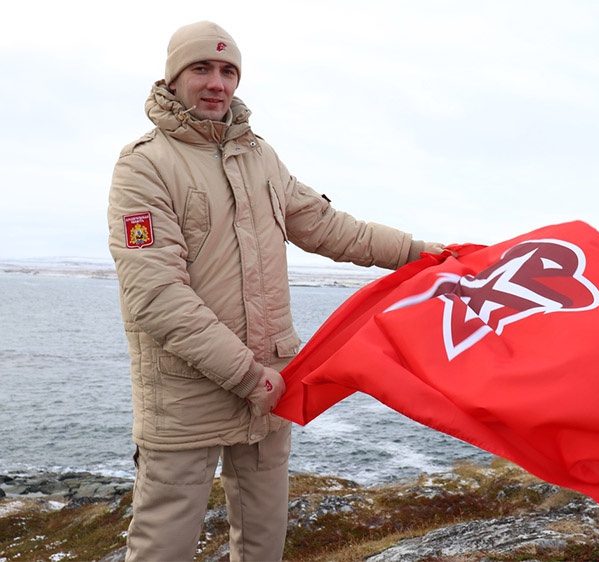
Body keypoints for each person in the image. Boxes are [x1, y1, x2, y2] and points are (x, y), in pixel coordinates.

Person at [107, 20, 446, 562]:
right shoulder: (144, 165)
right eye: (201, 68)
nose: (216, 83)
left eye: (227, 71)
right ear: (173, 79)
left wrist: (424, 253)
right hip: (189, 395)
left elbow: (333, 228)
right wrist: (245, 374)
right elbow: (157, 295)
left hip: (271, 384)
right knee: (161, 547)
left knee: (264, 544)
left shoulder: (260, 157)